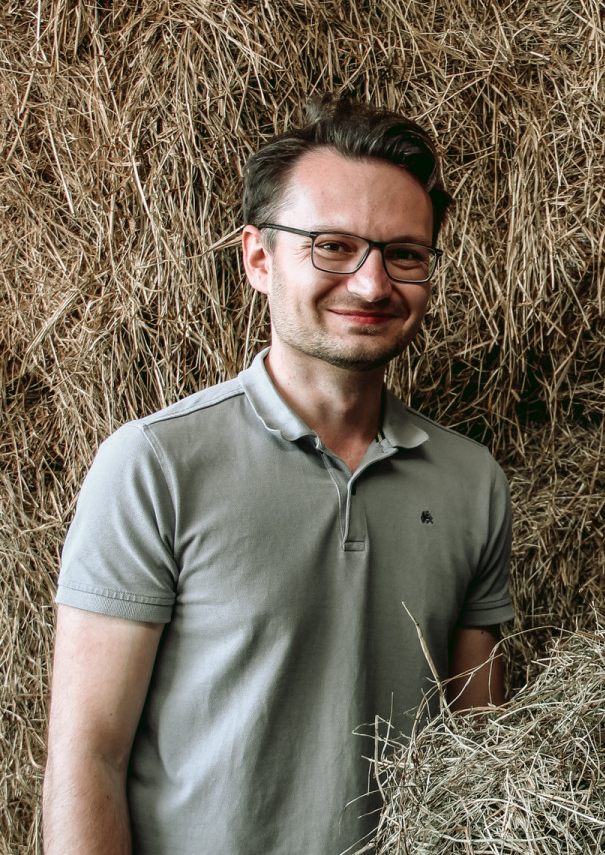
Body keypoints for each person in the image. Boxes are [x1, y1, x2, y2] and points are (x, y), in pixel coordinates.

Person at [42, 100, 514, 854]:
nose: (371, 285)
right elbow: (86, 758)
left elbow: (483, 753)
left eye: (405, 255)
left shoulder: (473, 482)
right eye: (332, 246)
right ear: (258, 258)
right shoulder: (155, 464)